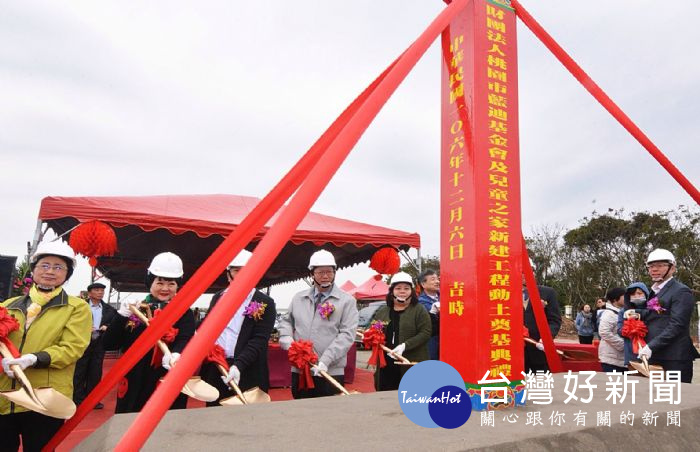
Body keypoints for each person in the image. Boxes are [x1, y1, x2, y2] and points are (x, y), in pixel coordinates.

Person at [0, 240, 91, 451]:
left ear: (67, 274)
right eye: (45, 265)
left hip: (43, 398)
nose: (50, 271)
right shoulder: (7, 306)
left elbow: (73, 347)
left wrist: (33, 359)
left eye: (59, 267)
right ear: (33, 269)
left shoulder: (76, 308)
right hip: (4, 396)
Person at [102, 252, 195, 413]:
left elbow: (186, 339)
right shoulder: (136, 309)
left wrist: (178, 353)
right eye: (159, 282)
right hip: (135, 381)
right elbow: (109, 343)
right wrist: (121, 317)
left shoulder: (184, 312)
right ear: (150, 281)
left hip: (167, 380)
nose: (165, 288)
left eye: (171, 283)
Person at [199, 249, 276, 406]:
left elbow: (259, 339)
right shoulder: (217, 298)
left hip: (248, 369)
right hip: (217, 367)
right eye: (236, 271)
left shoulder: (265, 302)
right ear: (228, 274)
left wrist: (238, 365)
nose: (241, 275)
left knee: (248, 419)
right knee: (213, 415)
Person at [278, 249, 358, 398]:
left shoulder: (347, 301)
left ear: (335, 273)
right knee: (301, 413)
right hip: (300, 369)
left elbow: (347, 335)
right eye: (320, 272)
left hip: (329, 371)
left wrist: (325, 360)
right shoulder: (298, 298)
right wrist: (286, 338)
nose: (326, 276)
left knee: (328, 416)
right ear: (312, 274)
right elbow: (286, 322)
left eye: (329, 272)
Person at [637, 249, 700, 383]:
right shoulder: (654, 291)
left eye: (660, 265)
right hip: (655, 354)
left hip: (674, 356)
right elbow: (653, 314)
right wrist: (636, 314)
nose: (654, 269)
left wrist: (651, 346)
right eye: (651, 266)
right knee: (656, 397)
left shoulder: (681, 291)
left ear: (672, 268)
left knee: (676, 397)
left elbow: (677, 324)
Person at [370, 272, 431, 390]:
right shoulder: (383, 311)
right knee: (385, 394)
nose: (402, 291)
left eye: (406, 288)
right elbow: (373, 328)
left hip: (410, 361)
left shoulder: (419, 310)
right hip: (386, 363)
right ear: (392, 291)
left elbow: (425, 332)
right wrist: (369, 336)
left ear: (412, 292)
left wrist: (405, 345)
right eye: (398, 288)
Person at [73, 282, 117, 409]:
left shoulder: (110, 310)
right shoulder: (80, 306)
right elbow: (73, 323)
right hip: (82, 343)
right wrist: (85, 328)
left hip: (99, 343)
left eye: (102, 290)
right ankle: (77, 399)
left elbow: (115, 325)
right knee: (79, 371)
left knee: (95, 373)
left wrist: (107, 327)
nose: (100, 292)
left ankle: (92, 400)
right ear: (90, 293)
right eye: (97, 290)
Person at [522, 267, 562, 373]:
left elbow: (555, 320)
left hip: (539, 349)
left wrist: (546, 337)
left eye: (527, 271)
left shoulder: (547, 292)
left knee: (541, 386)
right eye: (520, 272)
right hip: (516, 354)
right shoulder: (505, 293)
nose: (523, 275)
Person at [618, 281, 650, 367]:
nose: (636, 296)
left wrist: (642, 328)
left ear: (646, 294)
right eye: (633, 294)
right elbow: (619, 330)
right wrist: (629, 330)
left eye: (639, 293)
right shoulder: (624, 311)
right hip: (631, 354)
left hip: (651, 352)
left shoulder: (653, 310)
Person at [597, 287, 626, 373]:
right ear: (615, 299)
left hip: (620, 358)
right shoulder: (609, 313)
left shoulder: (621, 312)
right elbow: (604, 332)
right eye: (624, 296)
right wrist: (622, 345)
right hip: (611, 359)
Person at [417, 269, 440, 360]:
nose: (437, 281)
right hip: (432, 339)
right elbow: (431, 309)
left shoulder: (446, 295)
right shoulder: (421, 302)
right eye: (433, 279)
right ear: (423, 284)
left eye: (437, 279)